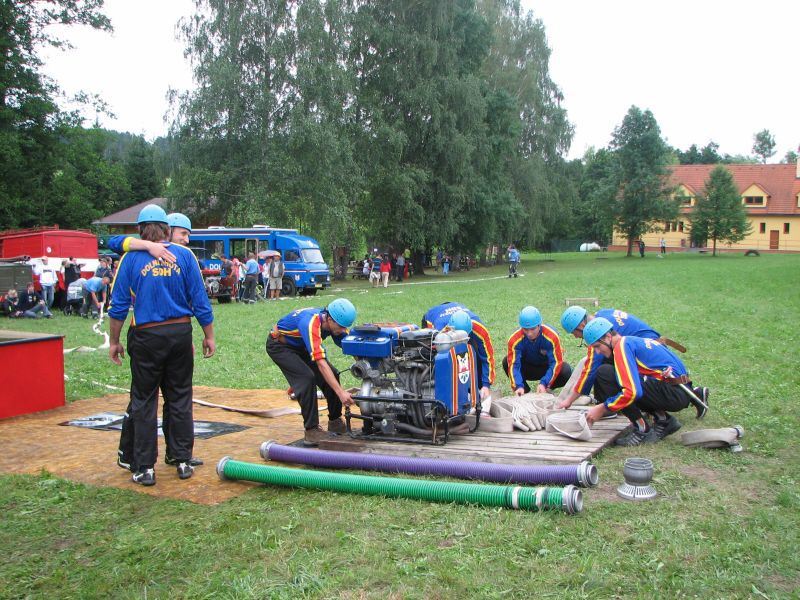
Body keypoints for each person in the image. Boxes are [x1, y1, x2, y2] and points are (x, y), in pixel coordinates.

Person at [108, 204, 215, 486]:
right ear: (167, 229)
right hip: (180, 332)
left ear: (140, 230)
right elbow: (200, 300)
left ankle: (145, 468)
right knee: (180, 397)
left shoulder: (130, 259)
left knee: (144, 401)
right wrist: (209, 335)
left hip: (146, 335)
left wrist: (114, 341)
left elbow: (118, 306)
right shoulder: (185, 255)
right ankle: (182, 460)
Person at [581, 317, 709, 447]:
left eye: (597, 346)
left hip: (675, 393)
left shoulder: (622, 346)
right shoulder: (630, 341)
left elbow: (632, 392)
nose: (597, 352)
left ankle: (642, 430)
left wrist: (603, 408)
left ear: (608, 336)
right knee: (612, 373)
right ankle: (664, 420)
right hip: (681, 390)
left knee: (608, 375)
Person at [266, 299, 357, 447]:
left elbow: (350, 345)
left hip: (301, 346)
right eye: (341, 326)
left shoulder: (333, 322)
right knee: (306, 379)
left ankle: (335, 422)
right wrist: (341, 393)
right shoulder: (311, 323)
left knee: (333, 374)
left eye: (345, 327)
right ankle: (312, 431)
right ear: (329, 319)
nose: (342, 330)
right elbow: (320, 362)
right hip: (280, 346)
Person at [422, 302, 496, 405]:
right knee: (439, 360)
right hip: (434, 318)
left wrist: (486, 385)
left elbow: (487, 358)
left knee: (475, 353)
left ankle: (475, 388)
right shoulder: (440, 331)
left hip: (456, 315)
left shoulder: (480, 329)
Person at [504, 306, 572, 395]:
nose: (529, 333)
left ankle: (547, 389)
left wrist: (544, 383)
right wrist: (518, 385)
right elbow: (514, 365)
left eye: (533, 329)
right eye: (525, 329)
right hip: (527, 367)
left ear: (539, 325)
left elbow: (555, 362)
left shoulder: (552, 336)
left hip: (546, 367)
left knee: (565, 370)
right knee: (506, 362)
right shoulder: (514, 339)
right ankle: (525, 392)